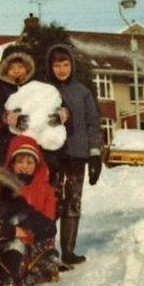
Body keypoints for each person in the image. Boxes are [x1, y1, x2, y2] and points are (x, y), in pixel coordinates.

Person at [45, 44, 103, 265]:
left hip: (77, 156)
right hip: (53, 156)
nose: (61, 69)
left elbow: (93, 124)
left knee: (73, 202)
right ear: (51, 67)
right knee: (53, 202)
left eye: (65, 64)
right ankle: (47, 252)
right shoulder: (45, 90)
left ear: (72, 65)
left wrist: (95, 154)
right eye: (57, 65)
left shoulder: (83, 92)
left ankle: (68, 250)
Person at [3, 135, 61, 284]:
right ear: (12, 164)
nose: (25, 166)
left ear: (36, 165)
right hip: (15, 235)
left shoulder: (45, 189)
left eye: (29, 162)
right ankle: (17, 270)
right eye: (20, 162)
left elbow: (48, 217)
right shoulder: (6, 188)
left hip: (36, 235)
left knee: (43, 251)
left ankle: (40, 266)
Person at [0, 44, 35, 160]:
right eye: (12, 68)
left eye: (20, 67)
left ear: (27, 67)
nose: (17, 71)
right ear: (5, 69)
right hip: (6, 134)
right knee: (8, 160)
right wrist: (4, 116)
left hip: (30, 133)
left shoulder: (32, 85)